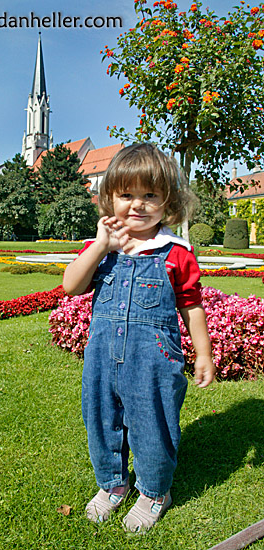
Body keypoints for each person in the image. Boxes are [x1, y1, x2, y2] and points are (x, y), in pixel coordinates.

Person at [63, 142, 215, 534]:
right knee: (102, 420)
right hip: (101, 358)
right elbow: (70, 286)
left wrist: (204, 354)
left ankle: (153, 491)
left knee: (152, 423)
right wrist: (99, 246)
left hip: (153, 361)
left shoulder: (175, 252)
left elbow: (192, 305)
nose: (138, 205)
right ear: (108, 199)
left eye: (150, 195)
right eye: (127, 195)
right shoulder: (103, 249)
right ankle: (113, 483)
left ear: (167, 201)